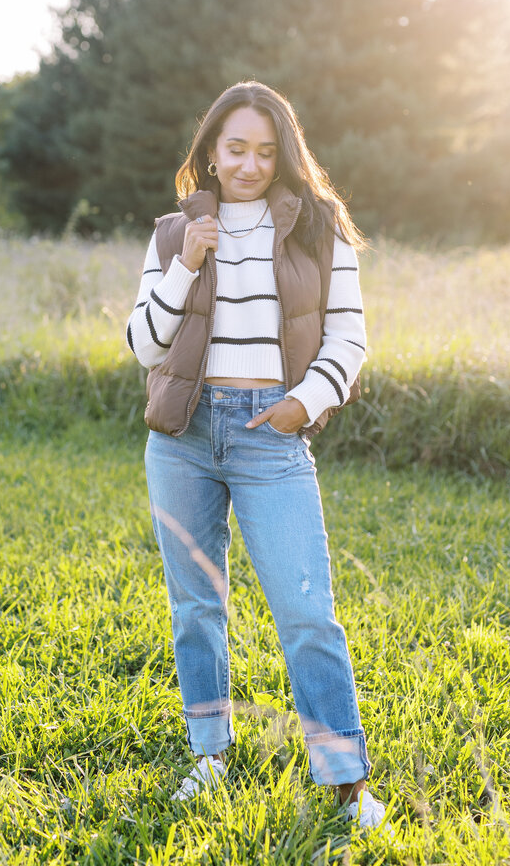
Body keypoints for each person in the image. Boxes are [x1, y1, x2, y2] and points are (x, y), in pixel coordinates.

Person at [126, 81, 388, 830]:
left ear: (285, 155)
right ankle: (209, 755)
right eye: (236, 148)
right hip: (183, 437)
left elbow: (349, 336)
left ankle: (345, 783)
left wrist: (306, 402)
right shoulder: (174, 233)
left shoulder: (320, 228)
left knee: (307, 610)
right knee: (196, 607)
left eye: (267, 152)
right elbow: (144, 344)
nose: (249, 165)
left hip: (271, 431)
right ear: (210, 150)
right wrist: (186, 265)